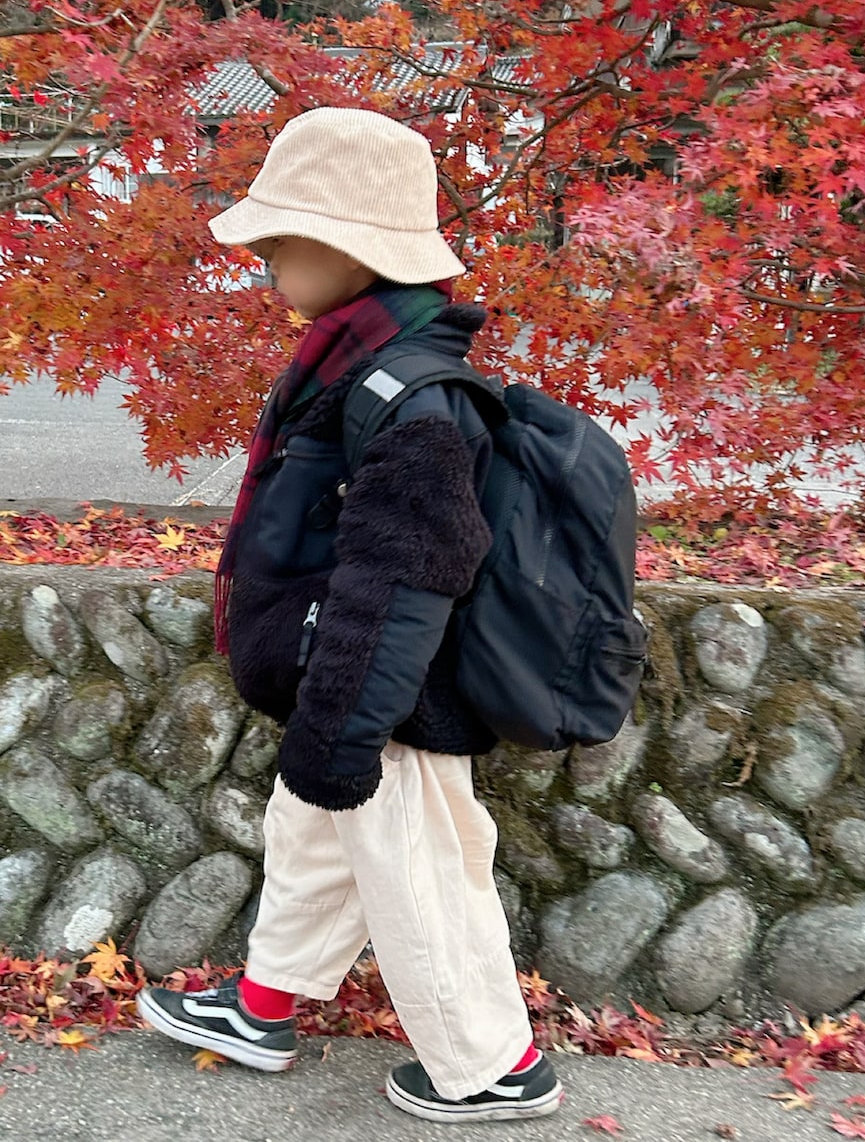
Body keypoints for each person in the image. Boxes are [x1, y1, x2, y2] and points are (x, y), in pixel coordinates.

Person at [136, 107, 563, 1123]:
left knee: (420, 881)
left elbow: (404, 577)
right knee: (312, 839)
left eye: (280, 241)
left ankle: (498, 1064)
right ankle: (263, 1006)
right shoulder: (356, 366)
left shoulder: (408, 394)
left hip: (392, 698)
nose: (268, 261)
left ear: (346, 249)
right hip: (353, 680)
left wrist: (348, 722)